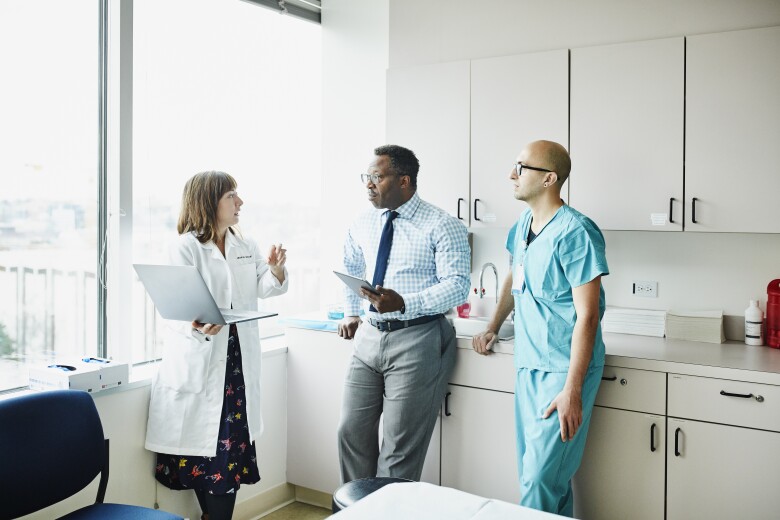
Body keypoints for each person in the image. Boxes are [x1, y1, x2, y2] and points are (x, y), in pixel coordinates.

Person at [472, 140, 609, 517]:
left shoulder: (576, 232)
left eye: (521, 167)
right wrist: (492, 327)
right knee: (543, 482)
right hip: (528, 363)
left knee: (538, 481)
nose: (511, 174)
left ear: (549, 178)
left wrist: (573, 389)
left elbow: (588, 316)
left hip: (563, 371)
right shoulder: (522, 227)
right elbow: (516, 276)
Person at [145, 171, 288, 520]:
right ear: (209, 202)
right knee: (204, 454)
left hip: (236, 362)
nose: (240, 202)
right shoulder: (184, 247)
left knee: (230, 454)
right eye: (231, 196)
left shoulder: (244, 244)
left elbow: (265, 287)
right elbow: (174, 305)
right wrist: (195, 323)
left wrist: (276, 270)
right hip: (203, 357)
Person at [337, 144, 471, 482]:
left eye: (377, 177)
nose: (368, 184)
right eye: (366, 177)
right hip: (368, 336)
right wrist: (352, 312)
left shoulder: (442, 224)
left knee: (398, 451)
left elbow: (457, 286)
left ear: (404, 181)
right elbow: (351, 265)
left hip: (418, 337)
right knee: (350, 434)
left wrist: (405, 303)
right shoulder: (363, 222)